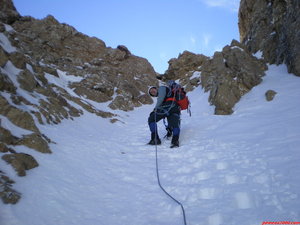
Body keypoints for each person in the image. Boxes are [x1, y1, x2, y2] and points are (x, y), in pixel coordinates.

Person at [147, 81, 181, 148]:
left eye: (152, 89)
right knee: (174, 123)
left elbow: (160, 99)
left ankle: (155, 139)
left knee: (151, 119)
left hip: (168, 107)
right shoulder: (168, 92)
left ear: (156, 88)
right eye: (151, 92)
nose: (152, 91)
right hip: (175, 108)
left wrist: (154, 110)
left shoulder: (162, 88)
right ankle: (175, 141)